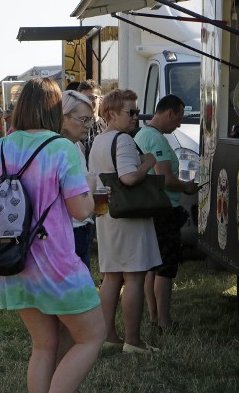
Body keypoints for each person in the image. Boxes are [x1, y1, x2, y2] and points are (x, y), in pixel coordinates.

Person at [0, 78, 105, 393]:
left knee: (44, 346)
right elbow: (80, 210)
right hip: (58, 265)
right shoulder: (61, 147)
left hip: (17, 265)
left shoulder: (2, 146)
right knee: (92, 337)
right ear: (54, 110)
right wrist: (90, 191)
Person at [88, 89, 161, 354]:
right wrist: (148, 163)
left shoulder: (98, 140)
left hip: (107, 214)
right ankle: (134, 340)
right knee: (133, 277)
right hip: (129, 215)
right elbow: (129, 177)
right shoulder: (124, 140)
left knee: (111, 278)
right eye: (130, 112)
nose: (136, 117)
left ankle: (109, 336)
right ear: (111, 114)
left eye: (136, 111)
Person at [134, 94, 198, 334]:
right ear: (169, 113)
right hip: (164, 209)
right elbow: (166, 179)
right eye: (179, 118)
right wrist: (188, 187)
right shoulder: (157, 140)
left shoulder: (142, 134)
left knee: (152, 265)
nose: (179, 125)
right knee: (166, 267)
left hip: (151, 207)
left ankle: (153, 317)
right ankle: (164, 320)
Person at [60, 90, 97, 268]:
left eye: (91, 119)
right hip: (68, 231)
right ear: (63, 118)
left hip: (82, 227)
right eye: (84, 119)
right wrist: (89, 187)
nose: (89, 125)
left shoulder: (76, 146)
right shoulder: (58, 150)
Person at [77, 80, 106, 164]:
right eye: (84, 98)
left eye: (92, 98)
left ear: (100, 99)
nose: (88, 101)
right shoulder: (76, 126)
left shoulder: (108, 125)